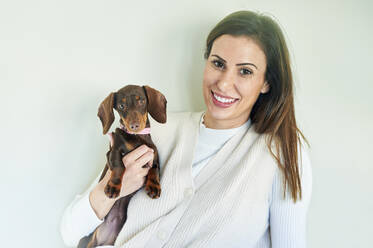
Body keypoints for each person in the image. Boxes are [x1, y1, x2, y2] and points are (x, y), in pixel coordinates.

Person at [60, 10, 312, 248]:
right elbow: (70, 232)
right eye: (218, 63)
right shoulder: (152, 132)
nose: (224, 83)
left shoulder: (283, 154)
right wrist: (114, 189)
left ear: (267, 82)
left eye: (245, 71)